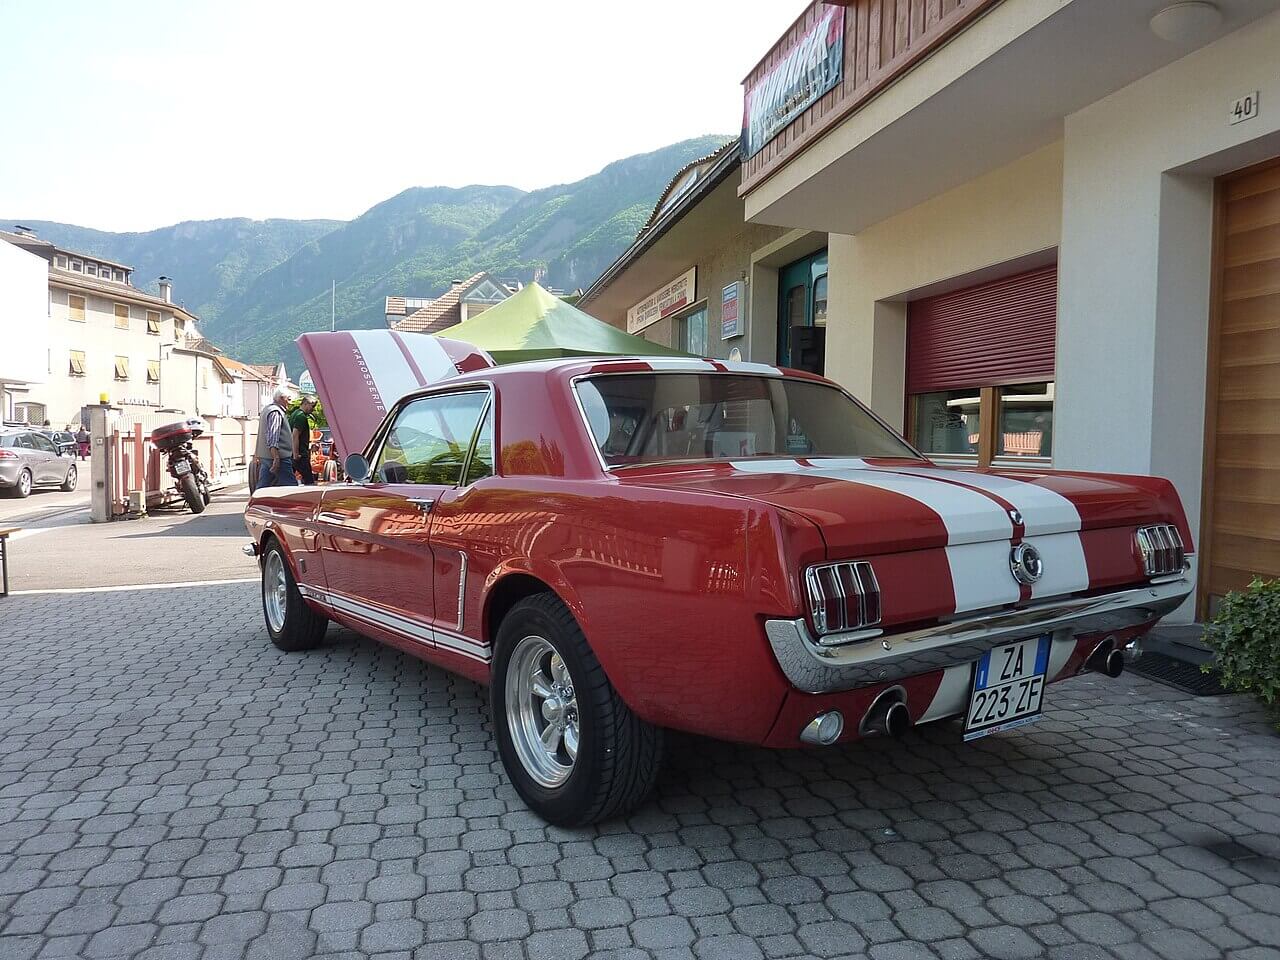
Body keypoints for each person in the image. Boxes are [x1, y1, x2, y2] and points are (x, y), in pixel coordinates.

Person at [254, 387, 297, 489]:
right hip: (279, 457)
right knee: (291, 486)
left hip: (267, 457)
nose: (290, 403)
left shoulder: (267, 409)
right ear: (281, 398)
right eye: (289, 399)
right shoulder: (275, 412)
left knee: (264, 486)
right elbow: (273, 437)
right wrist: (276, 458)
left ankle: (257, 502)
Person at [289, 396, 318, 485]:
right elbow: (295, 435)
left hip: (292, 453)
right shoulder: (301, 417)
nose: (313, 409)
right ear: (305, 404)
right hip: (300, 454)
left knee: (288, 478)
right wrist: (296, 454)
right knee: (309, 480)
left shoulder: (294, 414)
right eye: (312, 406)